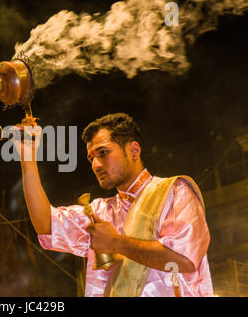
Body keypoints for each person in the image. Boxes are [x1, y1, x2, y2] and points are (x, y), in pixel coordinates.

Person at [12, 112, 213, 297]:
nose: (95, 165)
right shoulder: (100, 211)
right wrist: (27, 157)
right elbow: (46, 224)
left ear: (134, 150)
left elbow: (185, 260)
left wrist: (115, 242)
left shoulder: (174, 192)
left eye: (103, 153)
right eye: (91, 158)